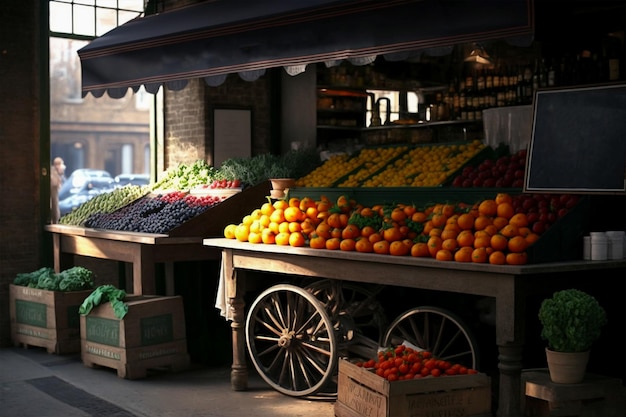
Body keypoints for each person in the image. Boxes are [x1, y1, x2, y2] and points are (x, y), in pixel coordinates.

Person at [50, 157, 66, 223]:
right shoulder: (52, 172)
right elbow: (55, 183)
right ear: (57, 165)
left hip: (55, 200)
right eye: (61, 165)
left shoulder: (56, 173)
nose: (63, 167)